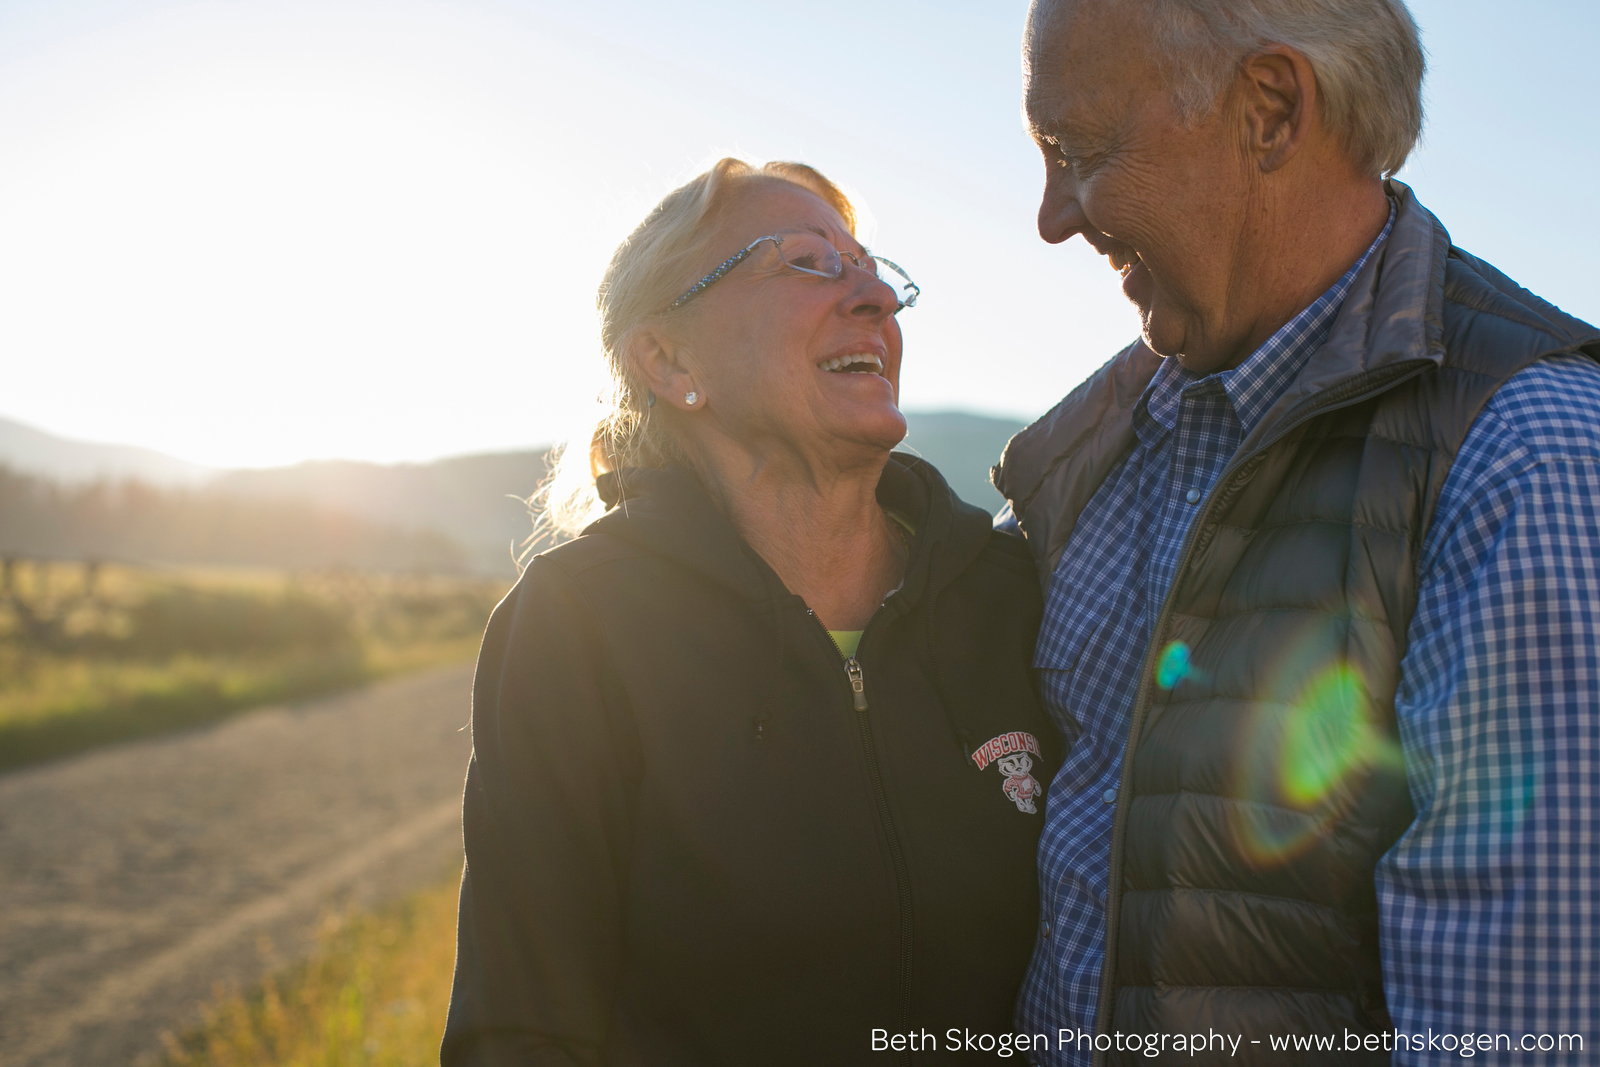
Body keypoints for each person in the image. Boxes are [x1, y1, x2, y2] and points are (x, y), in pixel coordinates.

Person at [994, 0, 1600, 1062]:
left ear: (1269, 112)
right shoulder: (1089, 449)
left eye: (1078, 150)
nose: (1052, 216)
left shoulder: (1528, 451)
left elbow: (1516, 1031)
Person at [441, 158, 1058, 1066]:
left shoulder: (1016, 593)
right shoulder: (580, 623)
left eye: (874, 270)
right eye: (808, 262)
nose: (877, 298)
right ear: (670, 358)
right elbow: (523, 1025)